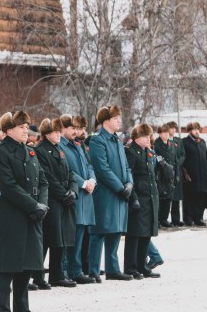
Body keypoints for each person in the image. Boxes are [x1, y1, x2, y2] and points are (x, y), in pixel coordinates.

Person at [0, 110, 49, 312]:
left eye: (27, 126)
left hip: (33, 215)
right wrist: (33, 206)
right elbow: (8, 186)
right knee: (7, 267)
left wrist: (42, 205)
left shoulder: (30, 152)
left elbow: (43, 182)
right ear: (9, 129)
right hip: (13, 215)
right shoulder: (0, 152)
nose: (26, 131)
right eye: (22, 127)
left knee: (27, 266)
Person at [86, 105, 134, 281]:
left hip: (120, 192)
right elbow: (102, 168)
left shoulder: (118, 140)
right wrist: (120, 187)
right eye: (116, 118)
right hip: (106, 193)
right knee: (99, 231)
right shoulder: (98, 140)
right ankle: (93, 270)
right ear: (106, 121)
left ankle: (113, 269)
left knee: (115, 230)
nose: (119, 121)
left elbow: (126, 166)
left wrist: (129, 183)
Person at [33, 118, 77, 289]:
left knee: (61, 239)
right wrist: (63, 193)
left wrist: (73, 190)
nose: (59, 135)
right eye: (55, 132)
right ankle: (38, 276)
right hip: (52, 199)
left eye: (60, 131)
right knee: (47, 239)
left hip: (64, 199)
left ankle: (57, 275)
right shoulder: (40, 151)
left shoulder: (59, 150)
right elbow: (47, 177)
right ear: (46, 134)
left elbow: (70, 172)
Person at [58, 115, 96, 284]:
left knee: (80, 235)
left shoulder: (77, 146)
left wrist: (92, 180)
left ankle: (76, 270)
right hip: (74, 194)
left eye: (76, 128)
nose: (75, 131)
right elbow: (68, 170)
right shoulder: (61, 146)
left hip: (85, 195)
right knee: (69, 236)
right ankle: (65, 270)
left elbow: (88, 165)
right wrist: (83, 183)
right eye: (72, 128)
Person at [124, 124, 161, 279]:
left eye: (149, 136)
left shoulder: (148, 152)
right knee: (134, 234)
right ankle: (131, 267)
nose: (148, 139)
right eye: (145, 136)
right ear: (136, 137)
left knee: (146, 234)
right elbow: (129, 177)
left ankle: (142, 266)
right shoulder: (131, 152)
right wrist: (133, 198)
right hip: (138, 197)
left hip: (150, 197)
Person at [182, 122, 207, 226]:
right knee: (190, 198)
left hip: (202, 175)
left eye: (198, 129)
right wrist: (185, 173)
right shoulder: (184, 142)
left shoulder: (202, 142)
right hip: (190, 176)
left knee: (200, 197)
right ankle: (188, 218)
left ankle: (199, 217)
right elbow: (183, 158)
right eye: (194, 129)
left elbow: (206, 157)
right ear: (190, 131)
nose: (197, 131)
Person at [153, 124, 182, 227]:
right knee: (161, 197)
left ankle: (164, 218)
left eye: (167, 133)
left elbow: (175, 160)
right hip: (161, 174)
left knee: (168, 197)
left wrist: (177, 174)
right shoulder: (156, 144)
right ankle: (158, 220)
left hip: (171, 174)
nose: (166, 135)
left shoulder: (171, 143)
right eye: (164, 133)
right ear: (160, 133)